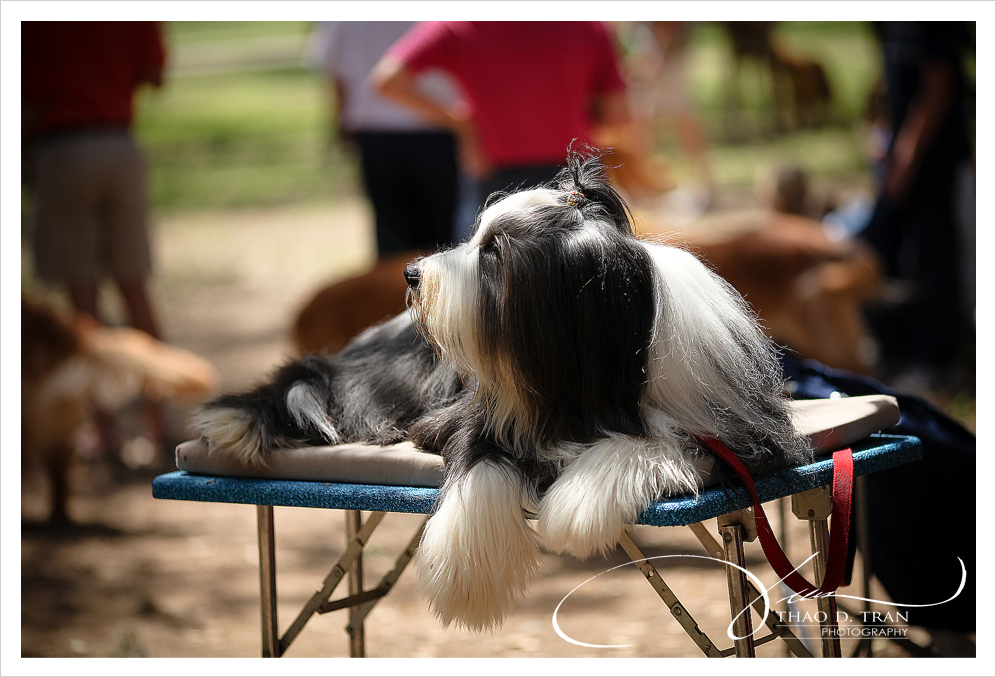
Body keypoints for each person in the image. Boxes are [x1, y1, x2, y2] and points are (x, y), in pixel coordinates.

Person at [22, 21, 167, 453]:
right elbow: (154, 75)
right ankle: (156, 419)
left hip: (62, 148)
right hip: (120, 147)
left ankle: (104, 430)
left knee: (82, 298)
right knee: (135, 288)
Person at [372, 21, 631, 205]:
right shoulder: (586, 24)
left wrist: (462, 124)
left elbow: (388, 79)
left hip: (496, 180)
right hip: (576, 175)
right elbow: (618, 115)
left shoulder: (462, 23)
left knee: (492, 278)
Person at [859, 22, 974, 394]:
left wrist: (908, 153)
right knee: (884, 251)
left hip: (935, 155)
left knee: (933, 257)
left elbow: (939, 77)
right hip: (903, 153)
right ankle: (899, 352)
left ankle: (939, 361)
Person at [307, 21, 461, 254]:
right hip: (436, 129)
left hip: (377, 132)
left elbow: (335, 72)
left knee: (393, 234)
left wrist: (340, 122)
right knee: (444, 238)